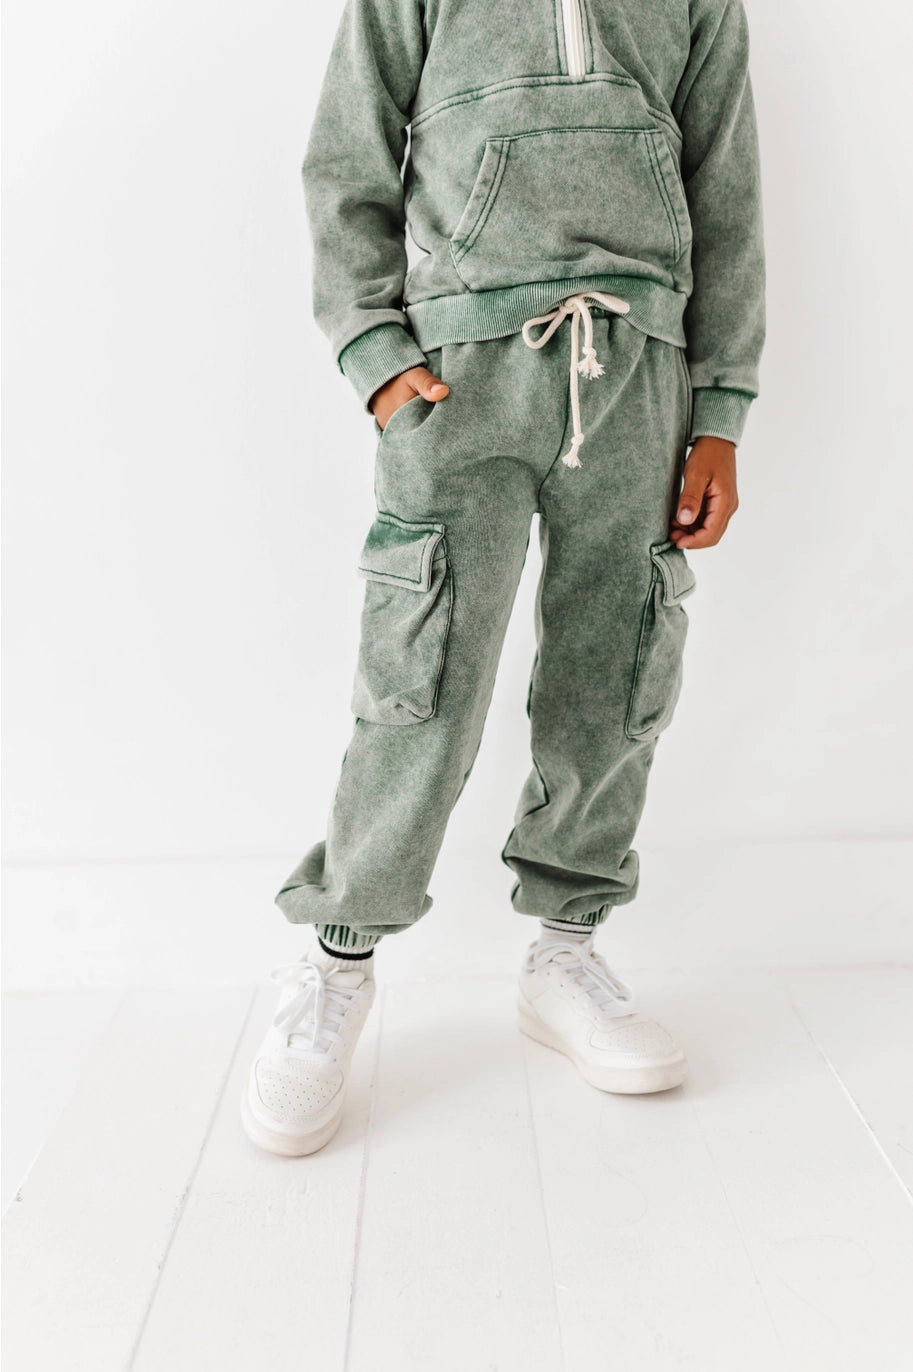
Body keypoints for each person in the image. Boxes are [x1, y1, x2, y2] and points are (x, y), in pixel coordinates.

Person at [241, 0, 765, 1157]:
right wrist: (375, 351)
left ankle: (565, 952)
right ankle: (337, 961)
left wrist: (720, 406)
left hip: (639, 366)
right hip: (458, 371)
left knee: (615, 670)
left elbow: (725, 183)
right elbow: (346, 156)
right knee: (420, 670)